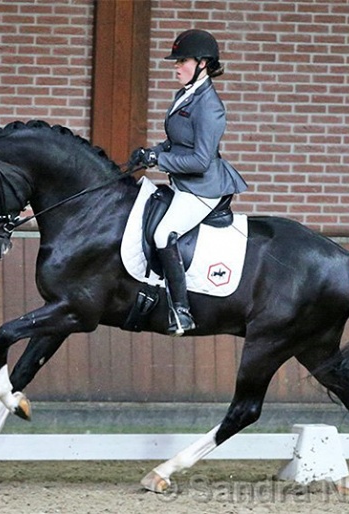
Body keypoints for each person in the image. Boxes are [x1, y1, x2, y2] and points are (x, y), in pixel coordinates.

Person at [129, 29, 247, 337]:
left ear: (203, 64)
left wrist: (159, 161)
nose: (176, 67)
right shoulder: (186, 94)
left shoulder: (210, 106)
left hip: (202, 188)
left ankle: (181, 311)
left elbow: (199, 161)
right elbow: (176, 142)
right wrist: (151, 152)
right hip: (184, 182)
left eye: (183, 61)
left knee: (163, 234)